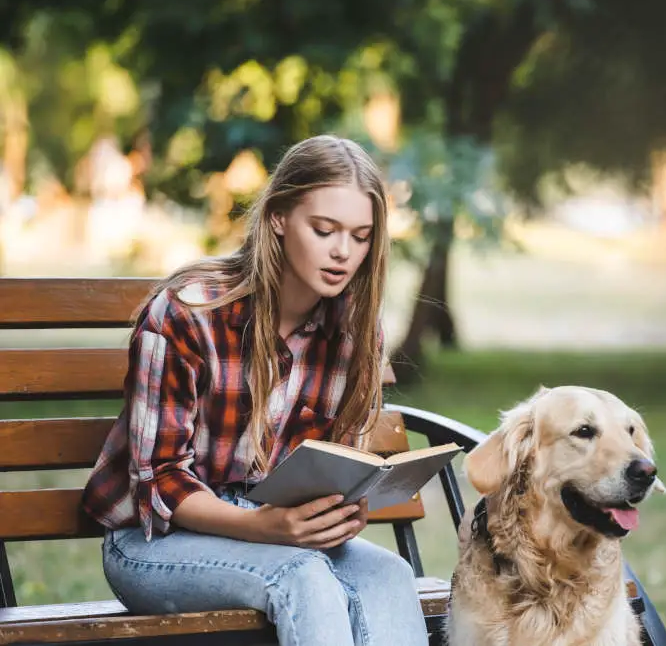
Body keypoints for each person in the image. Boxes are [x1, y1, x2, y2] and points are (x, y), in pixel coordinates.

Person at [81, 135, 429, 646]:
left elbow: (334, 464)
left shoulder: (356, 333)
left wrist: (341, 508)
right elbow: (159, 483)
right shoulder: (187, 314)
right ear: (278, 219)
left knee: (389, 577)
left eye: (360, 236)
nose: (342, 252)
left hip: (273, 531)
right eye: (324, 229)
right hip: (152, 543)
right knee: (301, 578)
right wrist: (270, 530)